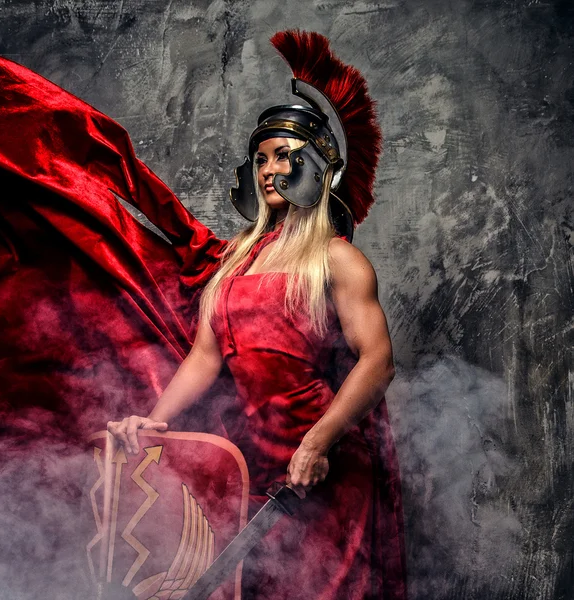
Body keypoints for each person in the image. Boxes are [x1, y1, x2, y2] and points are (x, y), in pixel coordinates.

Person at [107, 30, 407, 600]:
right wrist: (154, 422)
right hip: (253, 462)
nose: (270, 170)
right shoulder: (235, 263)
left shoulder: (337, 258)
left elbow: (378, 362)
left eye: (285, 157)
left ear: (315, 166)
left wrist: (318, 444)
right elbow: (205, 355)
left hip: (323, 459)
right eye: (261, 158)